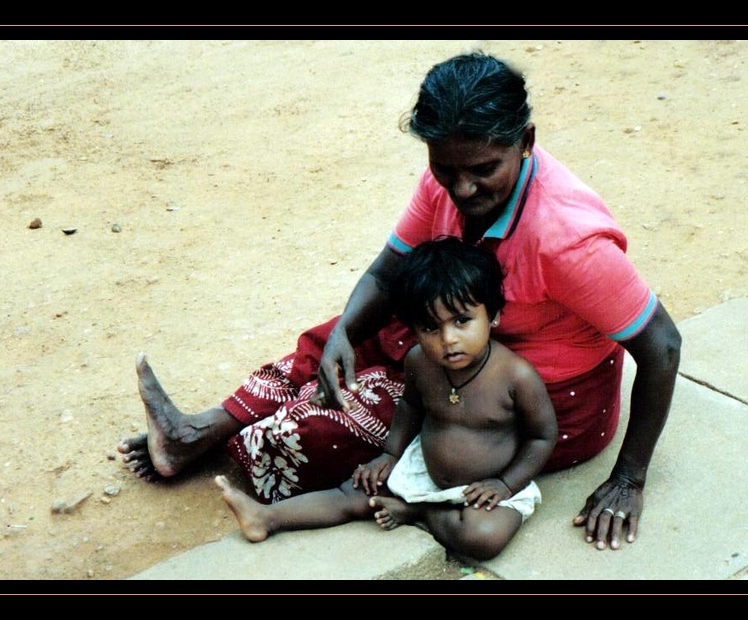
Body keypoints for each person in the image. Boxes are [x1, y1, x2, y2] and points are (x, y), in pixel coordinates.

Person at [118, 51, 682, 552]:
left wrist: (630, 478)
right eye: (445, 168)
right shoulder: (451, 174)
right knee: (334, 339)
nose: (461, 191)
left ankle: (249, 446)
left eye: (484, 171)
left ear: (526, 143)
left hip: (531, 401)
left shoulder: (566, 240)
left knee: (324, 430)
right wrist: (344, 335)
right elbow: (389, 270)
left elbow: (661, 344)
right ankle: (200, 434)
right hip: (462, 339)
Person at [214, 237, 557, 560]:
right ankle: (267, 517)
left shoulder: (516, 377)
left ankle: (415, 512)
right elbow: (409, 406)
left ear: (493, 315)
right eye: (430, 327)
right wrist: (390, 454)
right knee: (354, 491)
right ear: (414, 329)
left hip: (486, 489)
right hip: (423, 472)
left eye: (462, 321)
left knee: (483, 537)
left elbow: (542, 436)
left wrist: (505, 483)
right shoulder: (420, 362)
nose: (448, 339)